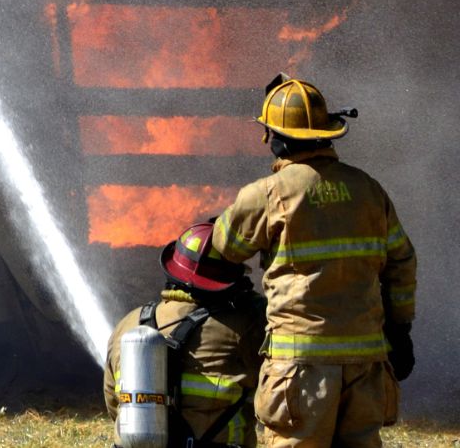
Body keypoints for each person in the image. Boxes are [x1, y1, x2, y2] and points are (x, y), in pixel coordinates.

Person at [208, 76, 416, 448]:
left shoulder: (269, 194)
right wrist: (400, 332)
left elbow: (225, 246)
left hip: (300, 368)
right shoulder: (369, 189)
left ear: (278, 139)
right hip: (366, 365)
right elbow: (402, 263)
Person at [106, 220, 266, 447]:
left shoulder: (128, 324)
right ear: (233, 280)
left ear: (173, 269)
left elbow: (114, 405)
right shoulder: (249, 326)